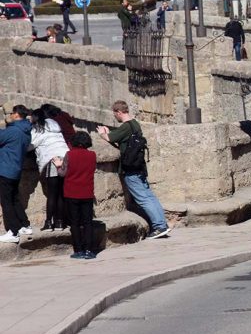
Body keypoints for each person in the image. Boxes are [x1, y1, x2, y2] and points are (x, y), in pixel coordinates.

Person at [97, 100, 171, 239]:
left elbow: (109, 137)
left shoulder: (126, 126)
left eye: (115, 114)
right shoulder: (135, 124)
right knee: (149, 196)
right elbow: (121, 139)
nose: (115, 117)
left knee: (143, 199)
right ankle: (162, 224)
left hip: (130, 169)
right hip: (139, 166)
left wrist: (102, 133)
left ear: (119, 112)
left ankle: (159, 226)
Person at [52, 131, 97, 259]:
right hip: (87, 192)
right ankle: (89, 250)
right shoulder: (92, 155)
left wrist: (58, 166)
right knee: (88, 222)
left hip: (71, 193)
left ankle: (78, 250)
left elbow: (63, 173)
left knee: (75, 223)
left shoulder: (70, 154)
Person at [29, 109, 69, 231]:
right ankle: (60, 222)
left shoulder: (38, 129)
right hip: (65, 157)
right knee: (61, 193)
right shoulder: (56, 127)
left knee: (52, 194)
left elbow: (29, 146)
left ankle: (48, 223)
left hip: (51, 160)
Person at [0, 105, 33, 243]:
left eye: (12, 113)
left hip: (6, 168)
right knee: (15, 199)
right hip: (16, 169)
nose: (11, 115)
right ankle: (24, 225)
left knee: (6, 201)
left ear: (17, 114)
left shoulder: (13, 130)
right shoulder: (26, 131)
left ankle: (13, 232)